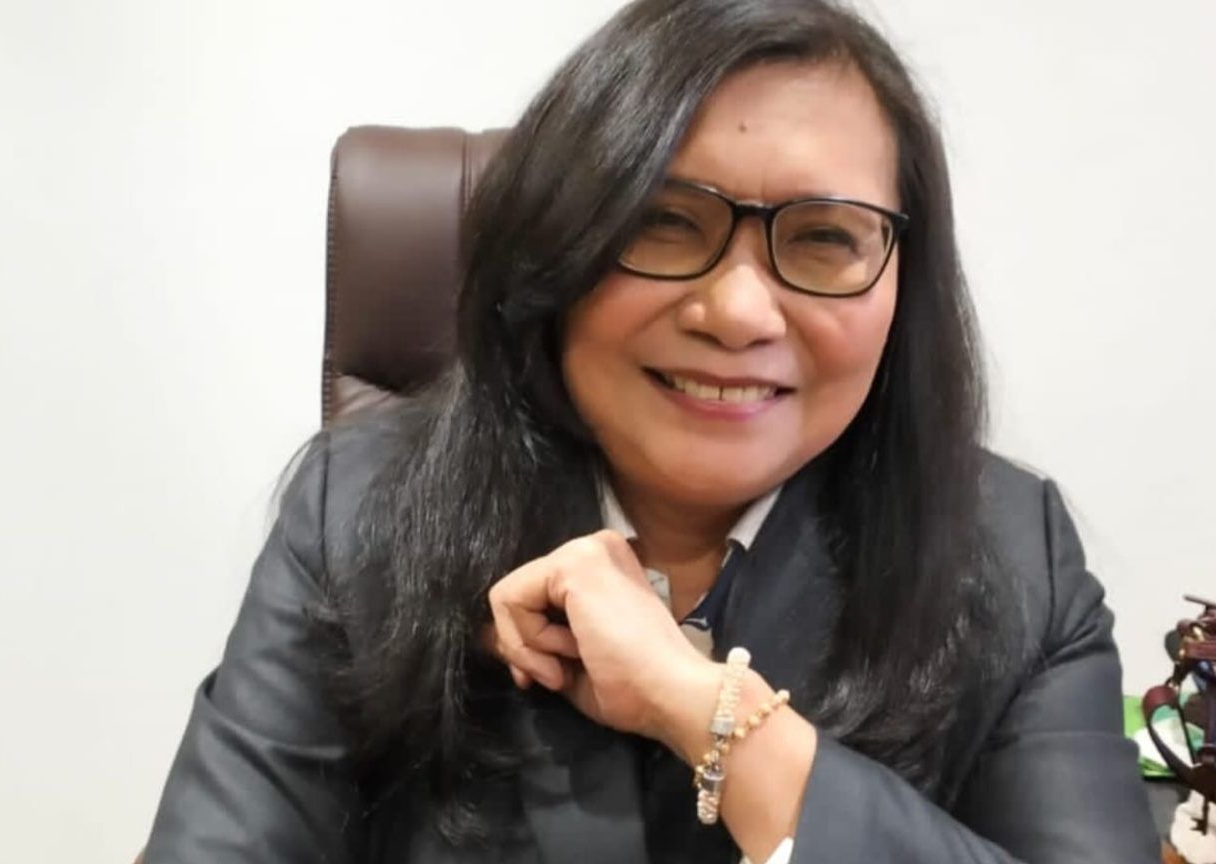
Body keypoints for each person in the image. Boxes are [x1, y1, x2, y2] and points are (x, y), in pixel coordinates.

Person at [143, 0, 1162, 861]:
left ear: (904, 288)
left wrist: (712, 716)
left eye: (823, 238)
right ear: (555, 246)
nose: (739, 313)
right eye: (663, 222)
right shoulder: (361, 514)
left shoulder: (1010, 557)